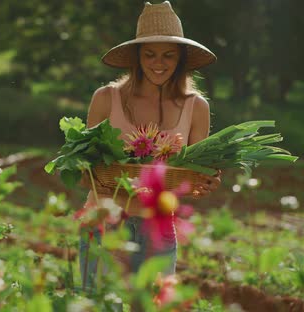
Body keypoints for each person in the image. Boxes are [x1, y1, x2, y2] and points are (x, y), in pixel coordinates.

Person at [79, 1, 220, 291]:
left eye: (169, 55)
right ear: (137, 57)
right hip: (106, 223)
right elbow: (83, 172)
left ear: (180, 58)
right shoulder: (107, 98)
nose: (159, 63)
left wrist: (206, 182)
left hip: (158, 229)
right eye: (150, 54)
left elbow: (193, 176)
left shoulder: (196, 107)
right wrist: (107, 175)